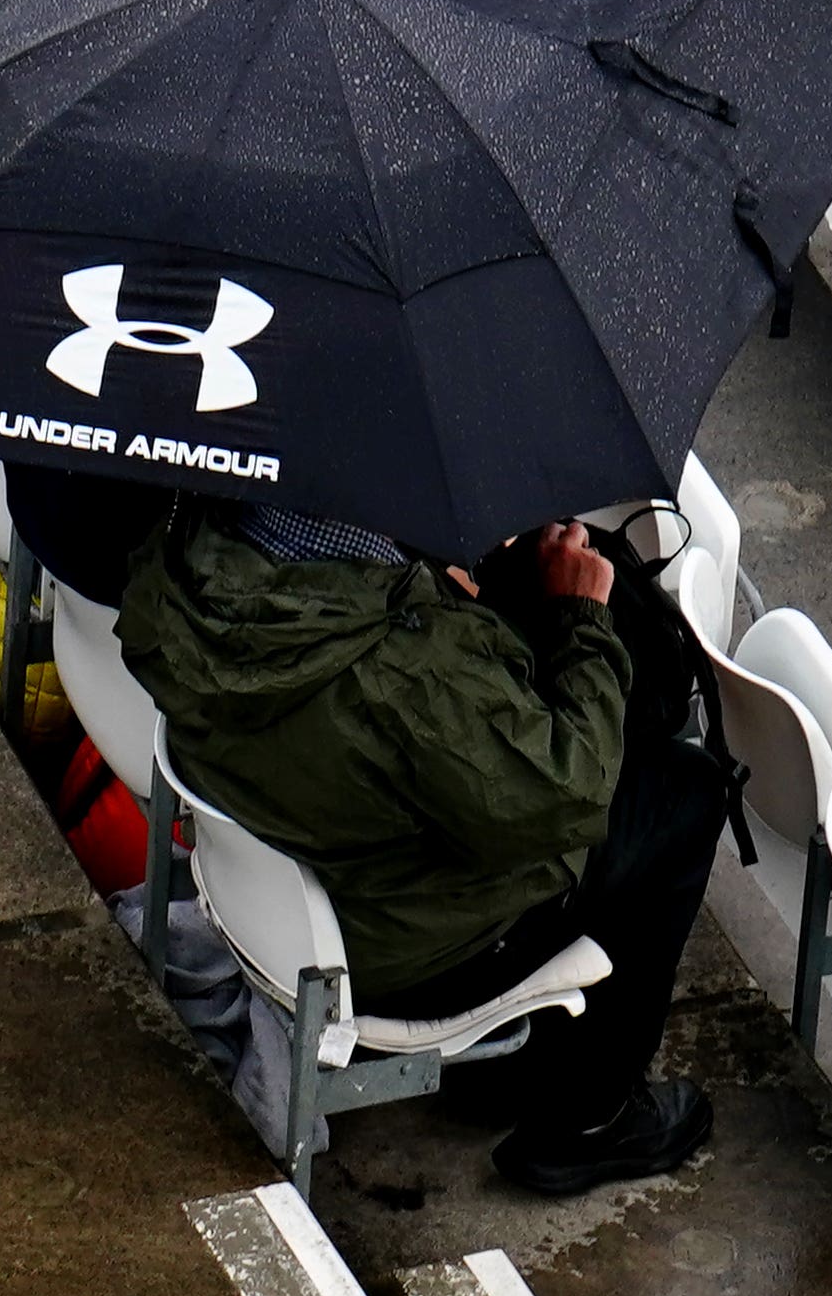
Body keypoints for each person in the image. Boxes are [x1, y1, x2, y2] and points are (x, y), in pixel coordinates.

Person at [113, 495, 734, 1195]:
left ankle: (514, 1070)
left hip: (292, 877)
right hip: (404, 949)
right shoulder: (405, 668)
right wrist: (581, 617)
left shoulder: (188, 549)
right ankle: (589, 1122)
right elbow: (568, 793)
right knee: (685, 792)